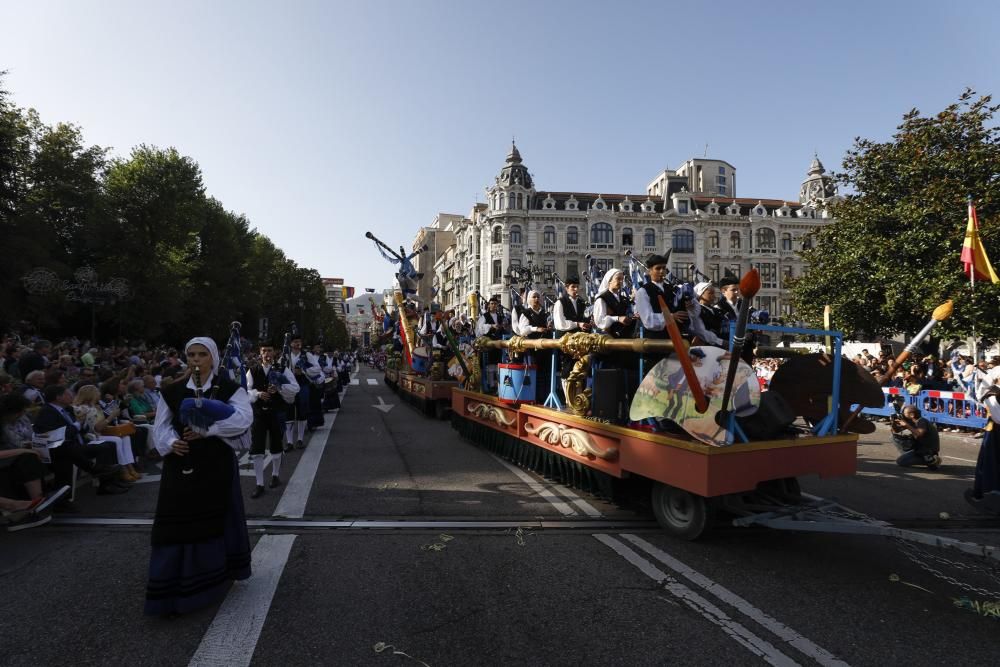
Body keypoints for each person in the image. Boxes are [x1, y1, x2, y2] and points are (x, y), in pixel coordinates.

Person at [145, 337, 253, 616]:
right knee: (176, 519)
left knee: (213, 517)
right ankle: (171, 581)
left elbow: (243, 419)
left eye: (201, 354)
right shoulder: (173, 390)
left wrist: (209, 429)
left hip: (215, 462)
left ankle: (214, 578)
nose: (195, 359)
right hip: (179, 463)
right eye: (191, 354)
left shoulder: (228, 388)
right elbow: (161, 425)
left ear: (212, 358)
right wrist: (171, 443)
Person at [34, 384, 125, 500]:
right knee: (66, 453)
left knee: (106, 446)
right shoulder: (47, 412)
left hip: (74, 444)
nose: (71, 396)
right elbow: (58, 435)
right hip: (57, 449)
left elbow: (81, 429)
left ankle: (107, 482)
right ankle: (95, 468)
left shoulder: (67, 409)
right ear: (58, 397)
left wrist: (83, 422)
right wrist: (77, 424)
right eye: (67, 394)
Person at [246, 341, 299, 499]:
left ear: (274, 352)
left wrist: (280, 388)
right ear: (260, 352)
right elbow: (245, 389)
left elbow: (295, 388)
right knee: (257, 448)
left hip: (276, 412)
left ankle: (275, 475)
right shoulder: (253, 370)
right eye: (264, 351)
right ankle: (259, 483)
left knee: (276, 444)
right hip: (259, 414)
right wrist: (257, 394)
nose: (267, 354)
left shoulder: (282, 369)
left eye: (269, 350)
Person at [889, 405, 941, 469]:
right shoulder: (912, 421)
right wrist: (893, 423)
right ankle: (912, 457)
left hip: (928, 450)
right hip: (919, 448)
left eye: (904, 413)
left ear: (912, 415)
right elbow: (896, 431)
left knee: (900, 461)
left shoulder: (922, 421)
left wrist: (906, 425)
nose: (903, 415)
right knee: (893, 437)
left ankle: (932, 460)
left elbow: (919, 434)